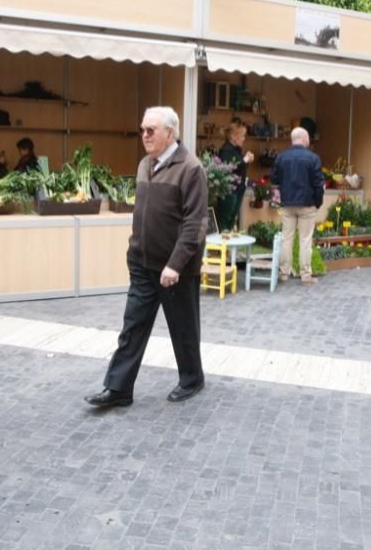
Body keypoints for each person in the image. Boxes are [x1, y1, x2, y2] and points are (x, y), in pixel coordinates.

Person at [84, 106, 208, 409]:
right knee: (132, 326)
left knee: (183, 327)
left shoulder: (191, 169)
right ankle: (118, 389)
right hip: (142, 263)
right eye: (143, 129)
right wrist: (133, 249)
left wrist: (175, 264)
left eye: (151, 129)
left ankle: (192, 378)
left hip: (174, 268)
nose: (145, 135)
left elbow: (195, 223)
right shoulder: (145, 164)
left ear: (170, 132)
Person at [271, 127, 324, 284]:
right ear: (305, 138)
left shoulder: (281, 157)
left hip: (287, 204)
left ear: (292, 139)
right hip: (307, 204)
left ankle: (284, 273)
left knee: (287, 238)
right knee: (305, 240)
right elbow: (318, 184)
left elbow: (274, 178)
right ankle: (305, 275)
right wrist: (318, 202)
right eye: (308, 138)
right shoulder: (313, 158)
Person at [215, 123, 254, 231]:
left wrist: (246, 160)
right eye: (242, 136)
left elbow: (239, 168)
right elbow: (229, 168)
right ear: (233, 136)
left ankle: (229, 244)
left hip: (238, 189)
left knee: (232, 218)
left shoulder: (236, 150)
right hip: (229, 191)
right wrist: (245, 160)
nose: (244, 139)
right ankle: (222, 244)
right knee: (226, 218)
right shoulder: (226, 150)